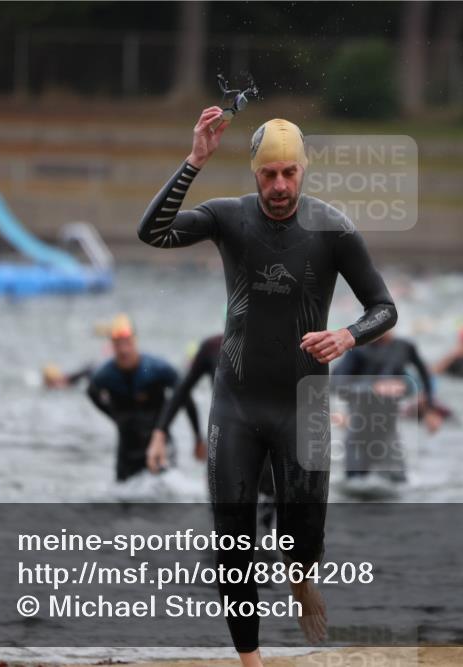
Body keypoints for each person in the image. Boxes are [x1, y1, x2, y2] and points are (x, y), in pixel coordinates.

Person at [137, 110, 397, 664]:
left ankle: (301, 578)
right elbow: (152, 232)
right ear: (255, 175)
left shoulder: (334, 229)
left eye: (289, 173)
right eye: (268, 175)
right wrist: (194, 162)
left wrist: (348, 336)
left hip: (304, 408)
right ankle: (251, 662)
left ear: (303, 171)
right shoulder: (229, 218)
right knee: (232, 540)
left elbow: (384, 307)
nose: (279, 186)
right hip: (236, 403)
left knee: (303, 541)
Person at [153, 333, 276, 531]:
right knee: (222, 528)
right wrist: (159, 434)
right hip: (224, 449)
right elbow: (182, 390)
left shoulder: (275, 345)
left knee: (264, 527)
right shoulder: (212, 347)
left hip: (265, 450)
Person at [86, 315, 201, 481]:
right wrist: (114, 415)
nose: (124, 350)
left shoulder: (157, 369)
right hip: (128, 450)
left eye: (127, 343)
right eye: (118, 345)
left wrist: (197, 436)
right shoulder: (105, 374)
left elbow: (184, 396)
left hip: (159, 444)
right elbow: (91, 392)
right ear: (112, 346)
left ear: (135, 341)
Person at [332, 329, 445, 482]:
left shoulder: (404, 347)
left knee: (398, 482)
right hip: (360, 426)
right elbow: (336, 382)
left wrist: (430, 410)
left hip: (388, 426)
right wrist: (374, 387)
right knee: (355, 483)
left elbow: (425, 376)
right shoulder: (358, 350)